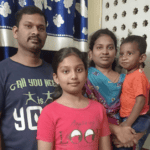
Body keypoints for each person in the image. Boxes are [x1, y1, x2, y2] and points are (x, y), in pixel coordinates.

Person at [0, 6, 55, 150]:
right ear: (16, 32)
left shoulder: (57, 72)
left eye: (41, 28)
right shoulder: (2, 71)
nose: (35, 32)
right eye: (28, 26)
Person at [36, 47, 111, 150]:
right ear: (56, 78)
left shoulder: (99, 109)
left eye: (79, 70)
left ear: (86, 75)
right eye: (66, 71)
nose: (74, 76)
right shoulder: (48, 113)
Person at [84, 29, 145, 149]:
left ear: (116, 52)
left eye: (110, 48)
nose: (105, 52)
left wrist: (133, 137)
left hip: (124, 132)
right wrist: (116, 130)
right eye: (99, 47)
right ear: (90, 54)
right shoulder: (84, 78)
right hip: (94, 132)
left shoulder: (126, 78)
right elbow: (81, 111)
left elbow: (141, 108)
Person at [116, 35, 150, 150]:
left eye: (129, 53)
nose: (124, 57)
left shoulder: (138, 76)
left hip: (137, 118)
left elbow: (140, 101)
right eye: (121, 54)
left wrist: (127, 123)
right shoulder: (130, 74)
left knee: (126, 146)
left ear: (141, 58)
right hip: (130, 117)